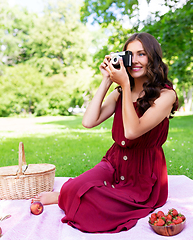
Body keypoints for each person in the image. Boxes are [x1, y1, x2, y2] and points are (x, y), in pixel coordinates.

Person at [34, 32, 178, 233]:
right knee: (77, 186)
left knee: (95, 208)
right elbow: (88, 121)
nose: (135, 61)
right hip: (115, 161)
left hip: (143, 172)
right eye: (130, 55)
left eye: (141, 54)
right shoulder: (118, 93)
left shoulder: (165, 95)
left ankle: (64, 196)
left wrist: (126, 85)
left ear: (153, 58)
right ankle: (65, 194)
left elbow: (132, 131)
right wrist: (106, 81)